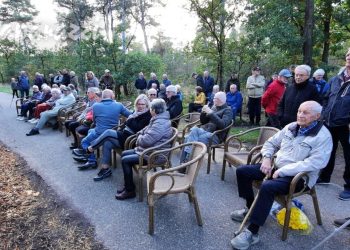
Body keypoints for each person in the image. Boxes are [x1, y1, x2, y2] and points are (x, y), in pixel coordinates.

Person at [230, 101, 332, 250]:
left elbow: (315, 163)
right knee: (242, 171)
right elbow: (271, 143)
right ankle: (250, 207)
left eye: (305, 112)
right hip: (275, 167)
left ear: (317, 116)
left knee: (267, 186)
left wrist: (284, 171)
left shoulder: (323, 136)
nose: (300, 115)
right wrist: (266, 158)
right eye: (299, 111)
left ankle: (253, 232)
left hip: (299, 178)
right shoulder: (290, 127)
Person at [115, 98, 172, 200]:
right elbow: (143, 131)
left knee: (125, 160)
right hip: (150, 151)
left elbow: (146, 141)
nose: (149, 110)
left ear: (154, 110)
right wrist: (140, 135)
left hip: (155, 155)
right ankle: (128, 184)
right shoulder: (157, 119)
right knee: (124, 154)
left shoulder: (159, 123)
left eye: (150, 108)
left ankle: (130, 191)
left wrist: (139, 138)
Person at [86, 94, 152, 181]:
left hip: (131, 140)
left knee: (108, 132)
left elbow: (136, 127)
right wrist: (126, 124)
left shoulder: (147, 115)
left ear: (147, 105)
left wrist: (129, 120)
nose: (140, 106)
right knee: (107, 142)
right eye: (138, 104)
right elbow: (127, 124)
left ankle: (91, 147)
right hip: (124, 135)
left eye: (142, 104)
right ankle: (105, 169)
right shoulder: (135, 113)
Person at [318, 49, 350, 200]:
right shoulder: (335, 79)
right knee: (328, 150)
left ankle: (349, 187)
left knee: (349, 156)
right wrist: (324, 114)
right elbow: (325, 98)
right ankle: (324, 177)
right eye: (348, 54)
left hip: (347, 125)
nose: (349, 57)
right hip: (330, 122)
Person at [73, 89, 131, 170]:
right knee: (90, 131)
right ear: (112, 96)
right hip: (112, 132)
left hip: (99, 132)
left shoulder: (96, 106)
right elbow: (130, 114)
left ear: (103, 96)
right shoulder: (119, 105)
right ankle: (89, 158)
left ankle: (91, 160)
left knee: (84, 141)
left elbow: (94, 120)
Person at [181, 91, 233, 162]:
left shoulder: (228, 110)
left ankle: (186, 163)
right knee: (190, 135)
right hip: (205, 131)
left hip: (215, 136)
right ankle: (185, 162)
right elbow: (203, 122)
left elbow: (223, 125)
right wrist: (203, 112)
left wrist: (211, 113)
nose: (213, 99)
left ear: (219, 100)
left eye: (214, 98)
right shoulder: (214, 107)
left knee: (190, 139)